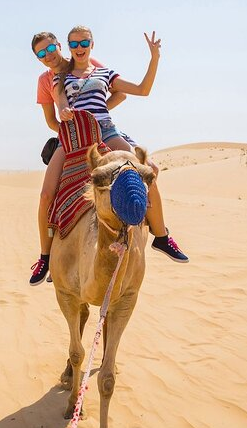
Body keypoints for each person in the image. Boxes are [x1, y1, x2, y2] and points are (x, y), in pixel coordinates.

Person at [28, 28, 188, 286]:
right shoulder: (53, 79)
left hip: (105, 130)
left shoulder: (95, 68)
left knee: (149, 170)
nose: (48, 55)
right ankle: (46, 256)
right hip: (70, 134)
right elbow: (56, 111)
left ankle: (160, 234)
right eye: (41, 54)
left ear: (62, 45)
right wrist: (71, 119)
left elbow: (131, 91)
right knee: (47, 194)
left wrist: (154, 58)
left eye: (50, 48)